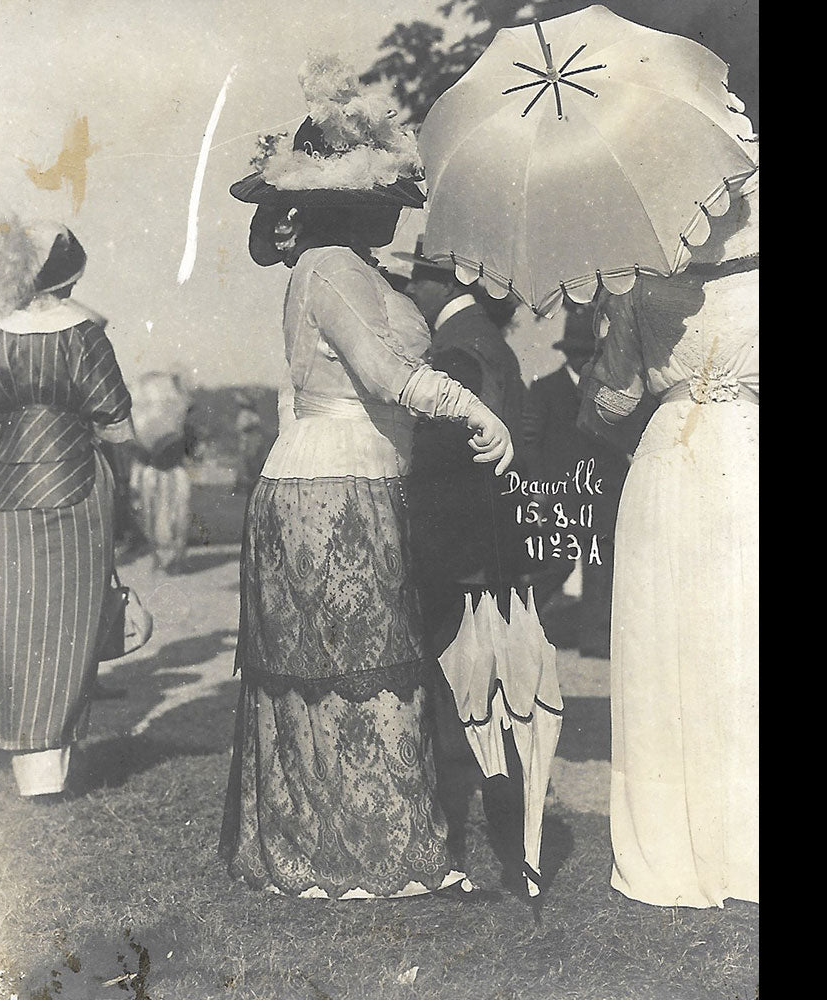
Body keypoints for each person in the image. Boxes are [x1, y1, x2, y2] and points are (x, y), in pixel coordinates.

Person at [218, 54, 514, 900]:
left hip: (346, 476)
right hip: (333, 480)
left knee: (344, 665)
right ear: (352, 203)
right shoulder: (333, 269)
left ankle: (336, 852)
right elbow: (386, 376)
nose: (392, 217)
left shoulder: (345, 269)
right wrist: (477, 411)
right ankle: (363, 859)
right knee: (355, 665)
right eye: (383, 202)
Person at [577, 174, 759, 908]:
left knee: (668, 644)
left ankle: (675, 847)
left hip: (668, 460)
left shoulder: (638, 272)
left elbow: (609, 405)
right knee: (740, 643)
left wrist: (603, 347)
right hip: (744, 451)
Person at [394, 239, 531, 882]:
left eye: (415, 283)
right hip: (489, 544)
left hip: (452, 548)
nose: (409, 296)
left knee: (454, 692)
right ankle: (507, 833)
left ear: (437, 286)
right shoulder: (489, 339)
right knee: (487, 689)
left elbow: (439, 468)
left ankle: (450, 835)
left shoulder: (455, 352)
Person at [0, 215, 133, 800]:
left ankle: (23, 755)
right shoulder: (84, 333)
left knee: (15, 614)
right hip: (75, 480)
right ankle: (50, 769)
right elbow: (117, 424)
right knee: (69, 615)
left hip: (5, 487)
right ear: (71, 276)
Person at [521, 304, 654, 658]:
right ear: (569, 354)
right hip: (562, 495)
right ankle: (518, 623)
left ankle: (596, 639)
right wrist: (538, 489)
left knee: (601, 566)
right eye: (581, 354)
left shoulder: (610, 395)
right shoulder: (545, 389)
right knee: (556, 563)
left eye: (591, 354)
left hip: (604, 492)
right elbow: (530, 442)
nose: (586, 362)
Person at [129, 371, 193, 573]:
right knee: (154, 516)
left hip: (171, 470)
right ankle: (159, 557)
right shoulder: (151, 419)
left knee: (176, 516)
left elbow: (189, 446)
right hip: (157, 470)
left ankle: (174, 558)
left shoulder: (179, 419)